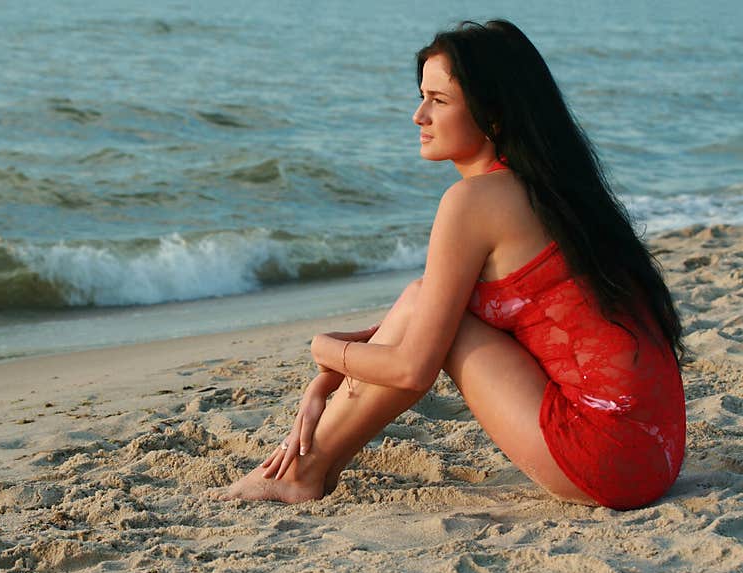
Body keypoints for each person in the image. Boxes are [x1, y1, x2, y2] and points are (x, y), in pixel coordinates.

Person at [216, 19, 687, 511]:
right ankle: (308, 469)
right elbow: (435, 314)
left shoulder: (474, 202)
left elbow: (415, 367)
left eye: (439, 101)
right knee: (425, 297)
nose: (419, 115)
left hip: (605, 458)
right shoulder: (552, 190)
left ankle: (301, 473)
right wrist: (332, 369)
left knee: (426, 308)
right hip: (656, 452)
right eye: (422, 96)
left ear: (494, 116)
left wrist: (323, 348)